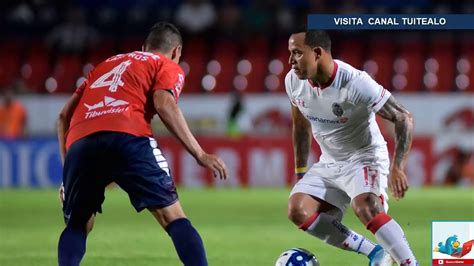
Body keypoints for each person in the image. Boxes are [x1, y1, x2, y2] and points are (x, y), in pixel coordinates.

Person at [56, 22, 228, 266]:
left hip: (81, 142)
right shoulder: (164, 64)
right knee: (173, 217)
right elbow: (164, 103)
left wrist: (67, 176)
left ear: (144, 47)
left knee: (78, 224)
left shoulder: (106, 64)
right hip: (129, 135)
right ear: (177, 51)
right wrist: (200, 154)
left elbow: (63, 116)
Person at [285, 29, 418, 265]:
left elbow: (402, 117)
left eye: (296, 53)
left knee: (365, 206)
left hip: (364, 158)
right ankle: (376, 253)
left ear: (317, 53)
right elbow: (300, 125)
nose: (290, 61)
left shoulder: (355, 82)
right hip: (330, 161)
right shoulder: (293, 82)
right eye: (289, 53)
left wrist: (398, 167)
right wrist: (300, 172)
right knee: (298, 210)